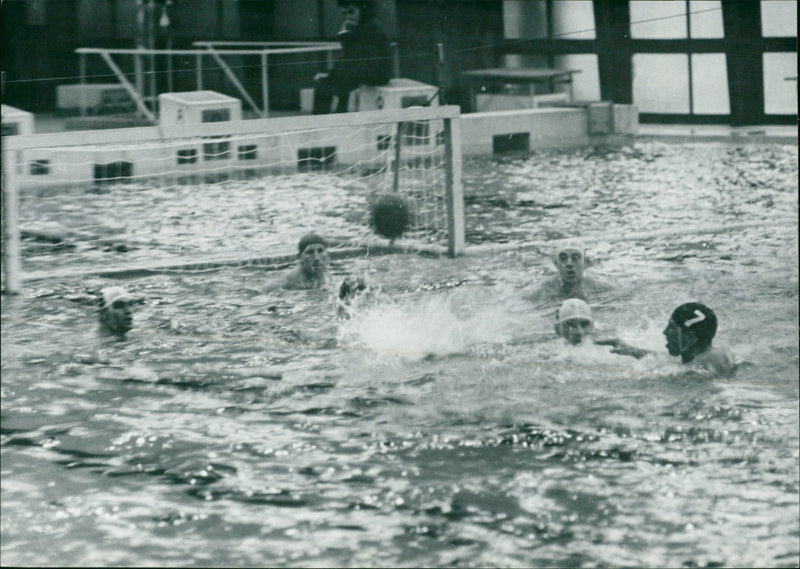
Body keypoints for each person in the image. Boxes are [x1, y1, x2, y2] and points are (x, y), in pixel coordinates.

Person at [595, 302, 736, 377]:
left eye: (671, 327)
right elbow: (672, 363)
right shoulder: (720, 354)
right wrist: (631, 350)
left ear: (690, 337)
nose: (664, 332)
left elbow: (680, 372)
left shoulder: (694, 376)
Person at [312, 0, 392, 114]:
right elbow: (350, 58)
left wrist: (345, 34)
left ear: (363, 10)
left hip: (377, 73)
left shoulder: (371, 28)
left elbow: (355, 56)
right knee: (326, 82)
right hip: (362, 70)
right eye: (345, 14)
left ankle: (335, 114)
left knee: (335, 79)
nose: (348, 17)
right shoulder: (360, 27)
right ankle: (325, 118)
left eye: (351, 12)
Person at [524, 240, 614, 306]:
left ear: (585, 263)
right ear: (556, 264)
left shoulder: (603, 288)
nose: (569, 264)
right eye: (563, 258)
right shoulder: (541, 292)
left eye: (575, 258)